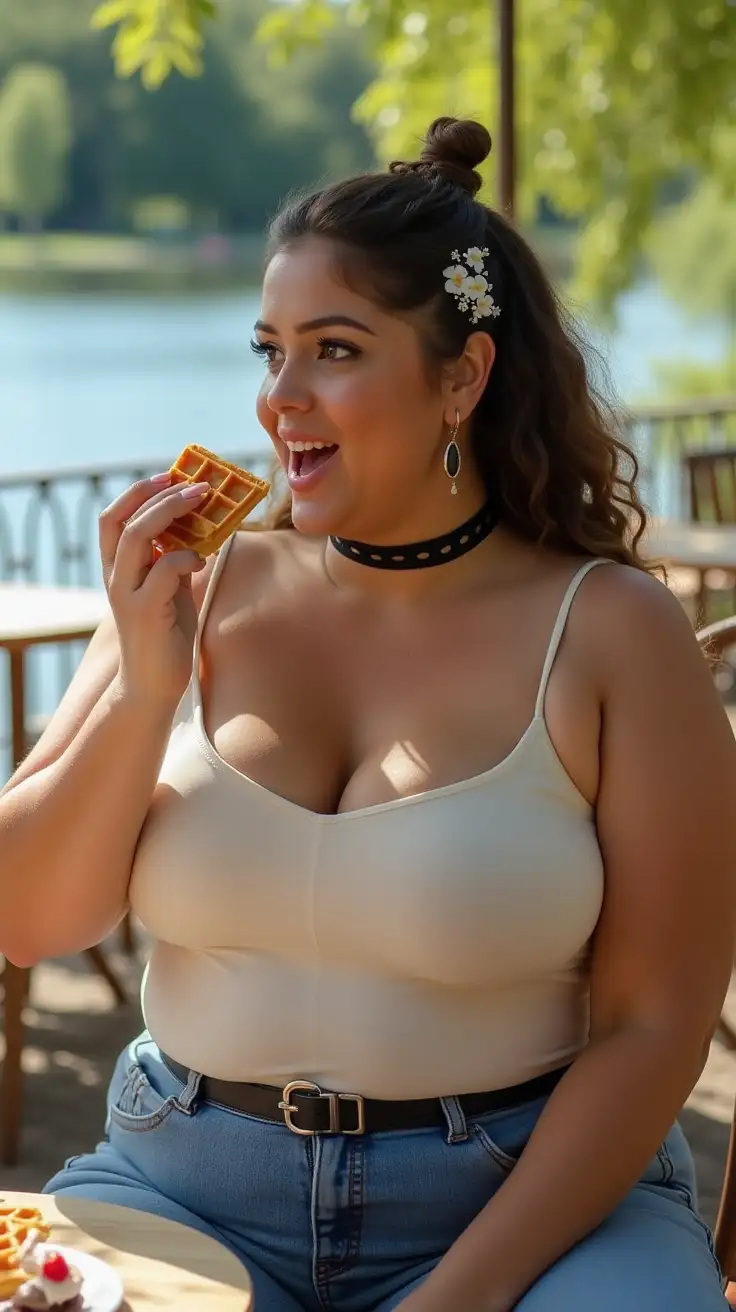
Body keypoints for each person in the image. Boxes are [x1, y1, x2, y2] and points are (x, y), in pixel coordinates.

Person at [1, 117, 735, 1312]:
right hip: (179, 1185)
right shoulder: (195, 589)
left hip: (536, 1210)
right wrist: (145, 688)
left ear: (464, 375)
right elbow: (32, 918)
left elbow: (658, 1025)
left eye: (333, 351)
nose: (279, 400)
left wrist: (453, 1299)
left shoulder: (612, 632)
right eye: (268, 351)